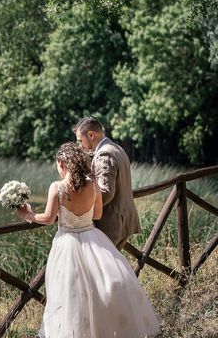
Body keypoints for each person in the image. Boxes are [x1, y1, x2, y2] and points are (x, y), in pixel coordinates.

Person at [17, 142, 159, 338]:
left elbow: (48, 219)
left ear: (61, 163)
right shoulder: (93, 185)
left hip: (67, 242)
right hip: (93, 239)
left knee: (70, 294)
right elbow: (97, 214)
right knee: (99, 289)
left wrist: (28, 214)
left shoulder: (57, 187)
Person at [73, 116, 141, 250]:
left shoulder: (104, 154)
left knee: (104, 268)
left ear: (91, 135)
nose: (80, 145)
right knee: (114, 267)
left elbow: (106, 192)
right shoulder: (116, 148)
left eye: (80, 140)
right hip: (124, 218)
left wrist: (84, 211)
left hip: (111, 223)